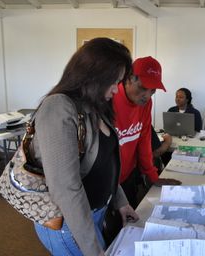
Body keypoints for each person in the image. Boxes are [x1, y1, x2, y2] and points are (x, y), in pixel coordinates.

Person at [31, 38, 138, 256]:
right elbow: (65, 188)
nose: (116, 90)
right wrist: (91, 248)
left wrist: (121, 202)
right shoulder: (59, 107)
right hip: (68, 224)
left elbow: (106, 162)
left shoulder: (95, 106)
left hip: (91, 217)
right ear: (93, 76)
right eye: (113, 81)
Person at [113, 56, 181, 209]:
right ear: (129, 78)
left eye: (153, 91)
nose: (147, 96)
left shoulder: (145, 104)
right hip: (105, 182)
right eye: (143, 88)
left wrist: (153, 176)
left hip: (127, 177)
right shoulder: (110, 98)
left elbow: (144, 140)